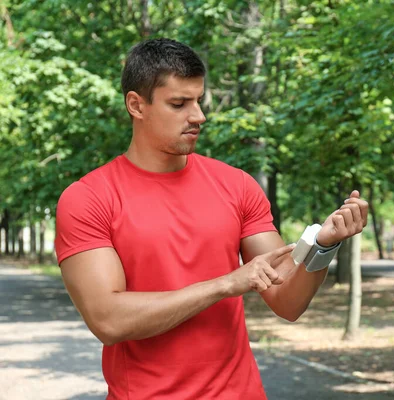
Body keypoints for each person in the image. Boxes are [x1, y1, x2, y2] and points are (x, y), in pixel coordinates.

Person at [54, 38, 368, 399]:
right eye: (179, 104)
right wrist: (226, 284)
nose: (198, 116)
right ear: (136, 105)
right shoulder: (88, 198)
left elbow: (286, 302)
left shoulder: (237, 186)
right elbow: (108, 319)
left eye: (198, 101)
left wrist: (323, 247)